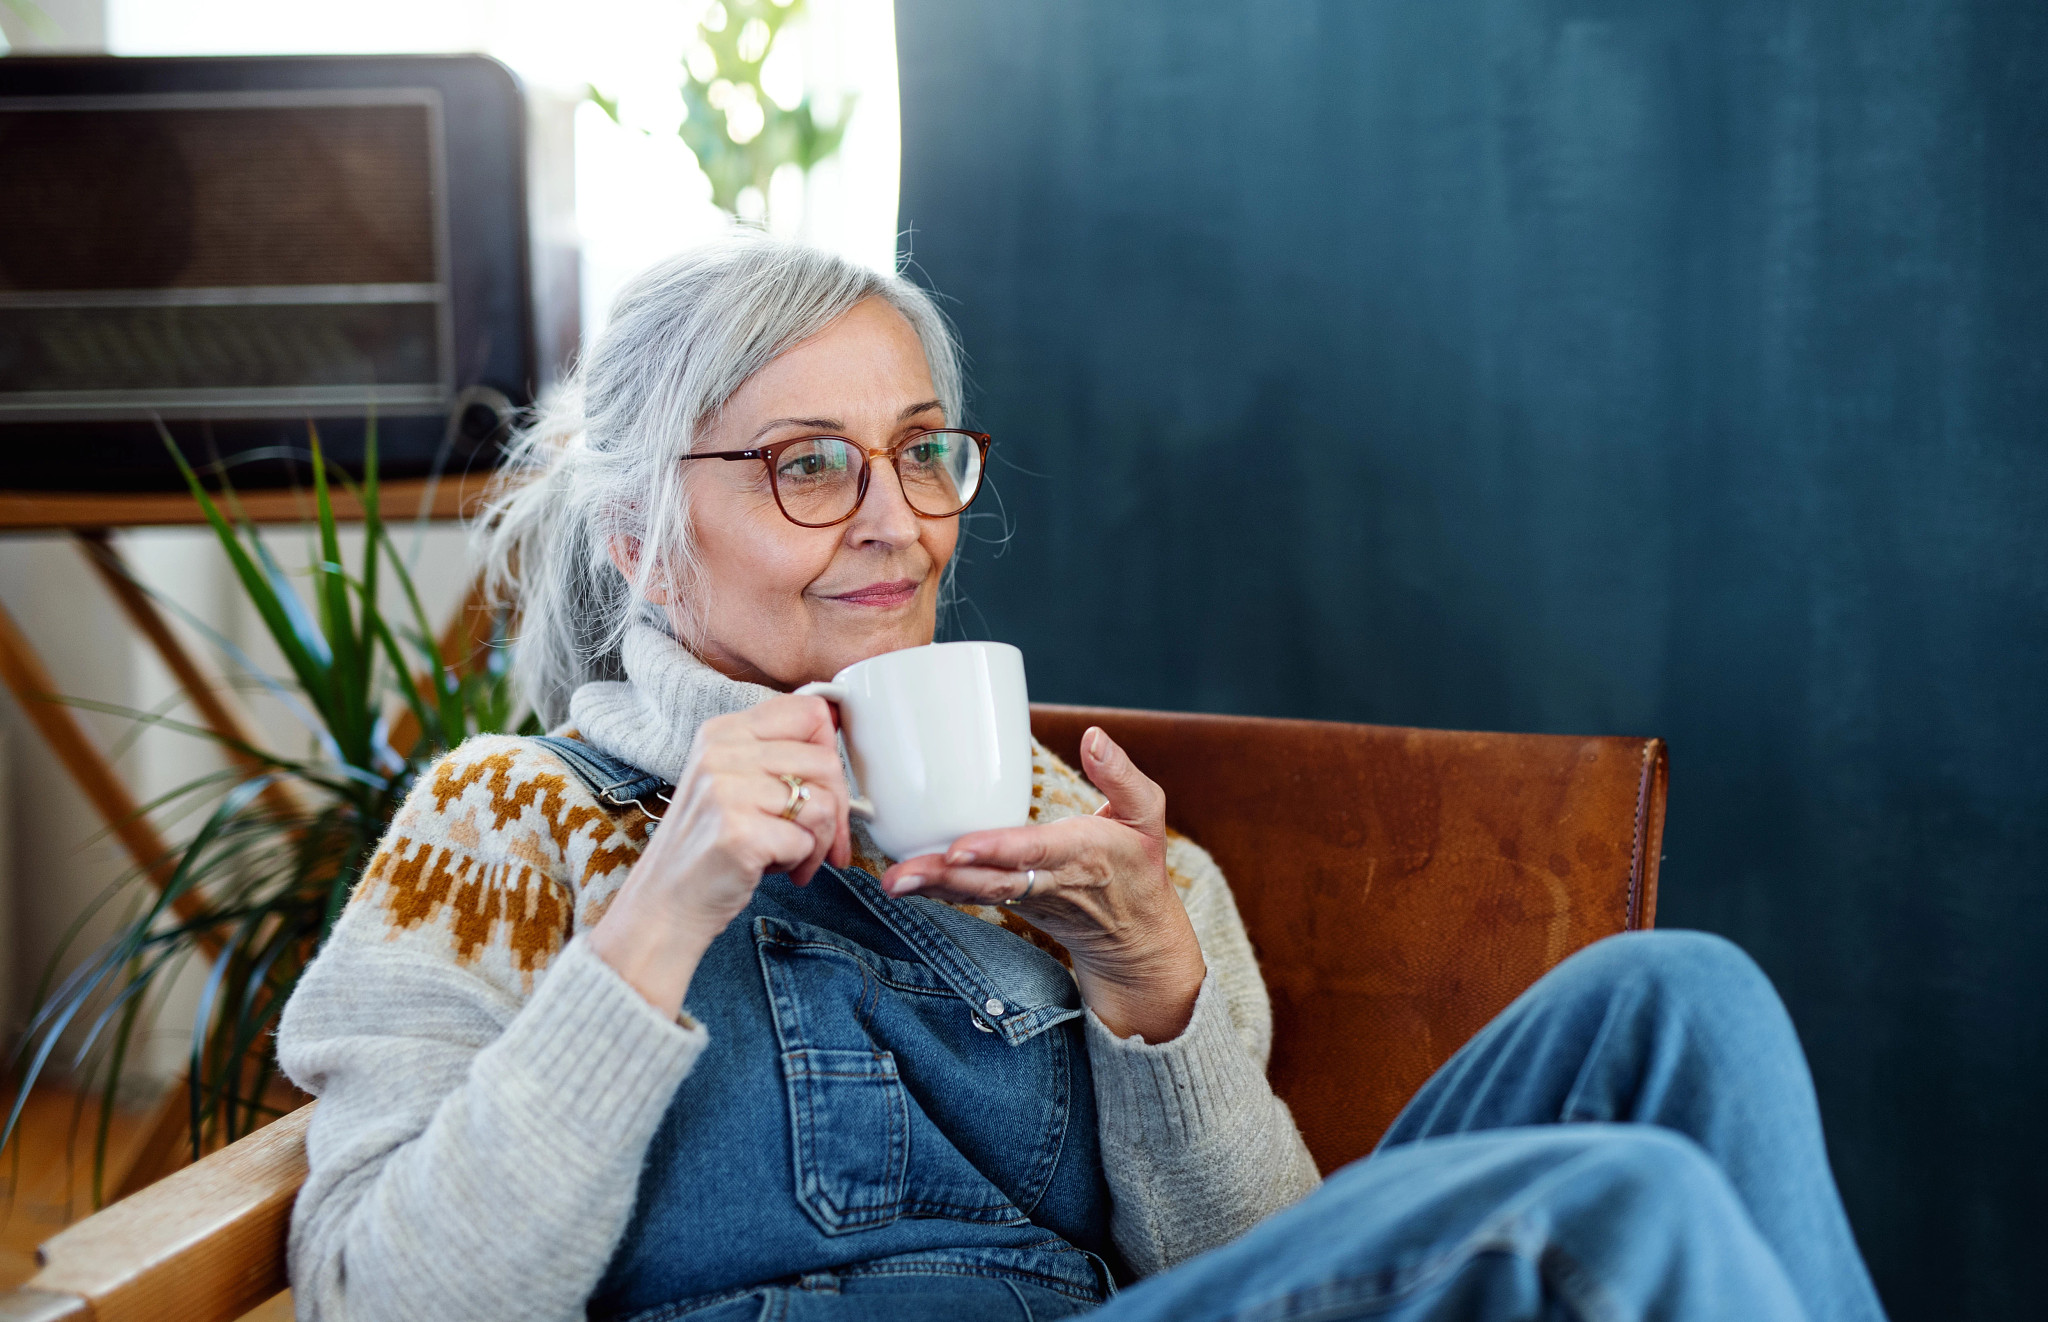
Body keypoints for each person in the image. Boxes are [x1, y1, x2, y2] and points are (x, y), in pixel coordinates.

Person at [276, 233, 1887, 1322]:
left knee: (1684, 999)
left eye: (922, 449)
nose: (898, 520)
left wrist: (1156, 986)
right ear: (637, 532)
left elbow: (1260, 1271)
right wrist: (659, 912)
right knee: (1608, 1211)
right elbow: (385, 1294)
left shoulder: (1086, 840)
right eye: (807, 466)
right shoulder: (503, 820)